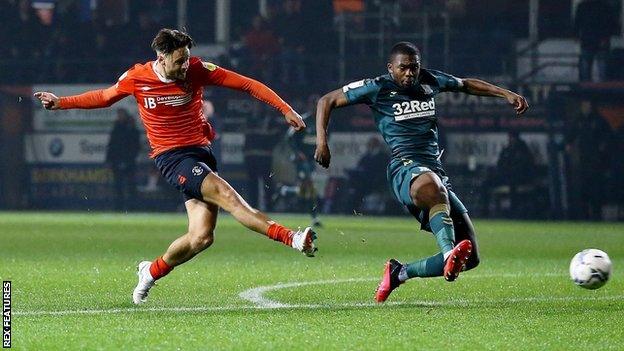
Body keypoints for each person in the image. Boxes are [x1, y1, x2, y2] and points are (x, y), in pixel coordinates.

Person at [34, 28, 317, 305]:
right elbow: (105, 97)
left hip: (201, 155)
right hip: (172, 158)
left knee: (201, 238)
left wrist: (285, 108)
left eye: (187, 58)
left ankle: (151, 271)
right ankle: (291, 237)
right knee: (228, 196)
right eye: (179, 60)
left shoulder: (197, 69)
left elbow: (246, 83)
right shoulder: (138, 77)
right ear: (161, 57)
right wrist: (61, 103)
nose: (185, 66)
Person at [314, 42, 528, 302]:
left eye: (413, 67)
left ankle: (399, 273)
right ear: (390, 68)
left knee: (471, 258)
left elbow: (466, 84)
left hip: (434, 172)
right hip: (405, 168)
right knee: (434, 189)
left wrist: (505, 94)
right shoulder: (377, 87)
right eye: (403, 68)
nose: (409, 73)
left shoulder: (430, 80)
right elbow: (327, 100)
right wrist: (322, 142)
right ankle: (449, 253)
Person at [281, 95, 322, 227]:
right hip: (302, 159)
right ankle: (315, 218)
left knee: (304, 190)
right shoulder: (303, 120)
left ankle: (286, 191)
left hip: (312, 159)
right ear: (310, 105)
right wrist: (298, 153)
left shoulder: (322, 121)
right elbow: (289, 138)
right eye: (315, 104)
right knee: (310, 186)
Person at [574, 0, 619, 82]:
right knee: (600, 67)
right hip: (596, 40)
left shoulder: (583, 6)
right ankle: (601, 87)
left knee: (588, 66)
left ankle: (587, 87)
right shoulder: (606, 7)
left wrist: (576, 35)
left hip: (590, 39)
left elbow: (577, 22)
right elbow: (612, 24)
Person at [106, 108, 140, 211]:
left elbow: (135, 146)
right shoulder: (116, 128)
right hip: (116, 161)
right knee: (118, 186)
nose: (119, 116)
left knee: (131, 185)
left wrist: (128, 159)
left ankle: (132, 207)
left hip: (129, 162)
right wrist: (109, 160)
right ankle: (118, 207)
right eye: (118, 114)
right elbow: (111, 145)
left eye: (121, 114)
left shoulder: (131, 129)